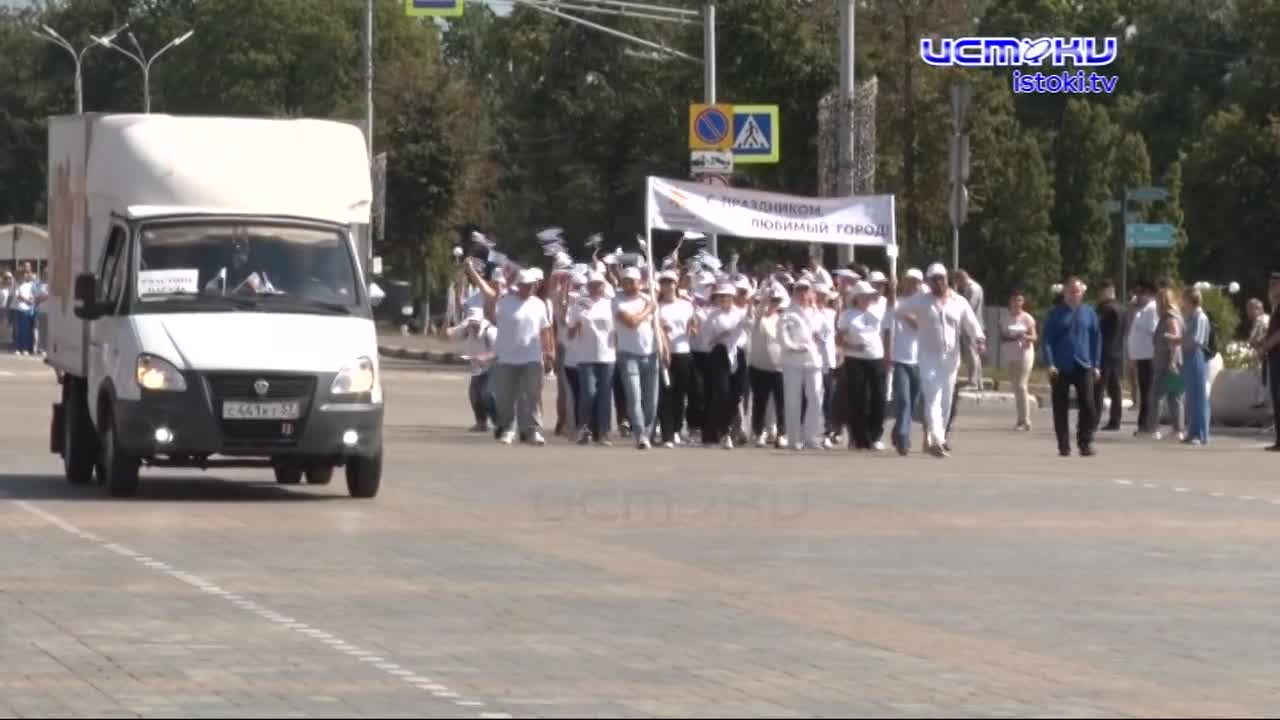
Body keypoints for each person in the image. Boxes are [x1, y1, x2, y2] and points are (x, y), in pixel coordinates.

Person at [895, 264, 985, 458]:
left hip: (951, 359)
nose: (938, 282)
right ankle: (936, 438)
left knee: (946, 400)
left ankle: (940, 438)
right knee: (932, 397)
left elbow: (971, 323)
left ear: (946, 278)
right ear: (928, 282)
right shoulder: (921, 300)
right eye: (934, 279)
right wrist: (896, 294)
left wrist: (979, 339)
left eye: (941, 278)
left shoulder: (958, 301)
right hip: (928, 358)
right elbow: (898, 308)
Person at [468, 265, 555, 446]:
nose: (528, 287)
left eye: (531, 285)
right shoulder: (505, 302)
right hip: (507, 358)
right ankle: (508, 429)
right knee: (506, 397)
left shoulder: (538, 304)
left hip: (532, 357)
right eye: (525, 284)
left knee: (531, 396)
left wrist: (549, 352)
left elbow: (545, 329)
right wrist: (493, 299)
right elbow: (490, 316)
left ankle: (532, 431)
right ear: (518, 285)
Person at [1042, 277, 1102, 457]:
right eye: (1070, 291)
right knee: (1060, 407)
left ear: (1082, 293)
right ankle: (1063, 445)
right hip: (1060, 367)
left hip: (1083, 364)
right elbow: (1047, 341)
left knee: (1089, 405)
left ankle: (1085, 442)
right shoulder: (1056, 314)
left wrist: (1096, 364)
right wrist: (1050, 364)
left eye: (1077, 291)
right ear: (1065, 293)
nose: (1074, 295)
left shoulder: (1089, 313)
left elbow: (1096, 339)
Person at [780, 276, 829, 451]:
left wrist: (819, 338)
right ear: (794, 293)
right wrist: (795, 347)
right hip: (792, 361)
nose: (802, 293)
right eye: (799, 290)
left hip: (814, 361)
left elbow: (827, 333)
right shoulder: (788, 313)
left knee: (815, 397)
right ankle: (794, 439)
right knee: (793, 399)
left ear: (811, 293)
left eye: (805, 290)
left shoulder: (818, 314)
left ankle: (811, 437)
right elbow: (783, 337)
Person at [568, 271, 616, 446]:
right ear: (587, 286)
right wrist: (578, 323)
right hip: (586, 356)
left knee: (604, 396)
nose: (595, 288)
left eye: (599, 284)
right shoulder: (579, 305)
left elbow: (616, 330)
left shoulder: (610, 304)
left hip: (607, 356)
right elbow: (570, 333)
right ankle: (583, 429)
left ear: (604, 286)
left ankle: (603, 433)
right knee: (588, 393)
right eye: (592, 285)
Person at [615, 267, 660, 450]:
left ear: (640, 282)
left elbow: (657, 327)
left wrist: (664, 350)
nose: (629, 285)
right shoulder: (617, 301)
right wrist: (649, 309)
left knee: (651, 401)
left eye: (632, 282)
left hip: (651, 354)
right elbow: (631, 322)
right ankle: (640, 434)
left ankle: (647, 434)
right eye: (625, 282)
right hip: (628, 355)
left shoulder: (648, 298)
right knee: (634, 398)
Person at [840, 280, 888, 451]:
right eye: (864, 296)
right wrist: (853, 347)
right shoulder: (848, 315)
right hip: (855, 359)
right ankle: (860, 438)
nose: (867, 299)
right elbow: (838, 339)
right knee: (858, 398)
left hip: (876, 357)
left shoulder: (878, 310)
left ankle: (875, 436)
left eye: (869, 296)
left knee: (879, 397)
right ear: (856, 297)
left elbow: (886, 330)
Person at [703, 283, 749, 448]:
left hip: (738, 353)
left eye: (726, 296)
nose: (723, 299)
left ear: (732, 298)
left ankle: (732, 428)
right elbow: (706, 340)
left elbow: (747, 330)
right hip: (720, 353)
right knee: (722, 392)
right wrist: (720, 336)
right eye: (720, 296)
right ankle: (724, 432)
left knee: (737, 394)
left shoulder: (740, 314)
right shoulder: (713, 316)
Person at [657, 270, 696, 448]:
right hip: (665, 355)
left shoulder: (686, 305)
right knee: (666, 394)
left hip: (683, 352)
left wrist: (692, 328)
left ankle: (677, 430)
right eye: (664, 282)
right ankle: (667, 434)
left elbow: (693, 328)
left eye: (671, 282)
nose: (668, 285)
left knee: (680, 395)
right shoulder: (657, 306)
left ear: (676, 284)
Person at [889, 268, 924, 455]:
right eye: (910, 280)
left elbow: (920, 326)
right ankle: (903, 437)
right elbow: (887, 326)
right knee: (903, 400)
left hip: (920, 360)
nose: (913, 284)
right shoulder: (896, 302)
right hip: (900, 358)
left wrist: (904, 315)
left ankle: (899, 429)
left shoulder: (924, 303)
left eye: (916, 281)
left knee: (913, 400)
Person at [446, 307, 499, 431]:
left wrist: (484, 357)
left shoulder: (491, 331)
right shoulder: (466, 329)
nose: (473, 325)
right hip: (478, 368)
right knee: (474, 394)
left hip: (494, 367)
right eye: (471, 322)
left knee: (487, 395)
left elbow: (500, 351)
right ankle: (481, 423)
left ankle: (500, 422)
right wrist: (446, 320)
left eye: (475, 322)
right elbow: (445, 336)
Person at [748, 284, 787, 448]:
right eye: (772, 300)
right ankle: (759, 432)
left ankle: (781, 433)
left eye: (776, 301)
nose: (773, 303)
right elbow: (757, 314)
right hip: (760, 367)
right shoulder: (759, 318)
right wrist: (764, 299)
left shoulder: (783, 319)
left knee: (781, 403)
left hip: (780, 367)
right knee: (760, 402)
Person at [1150, 287, 1185, 442]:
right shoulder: (1174, 316)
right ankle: (1178, 429)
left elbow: (1175, 341)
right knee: (1173, 396)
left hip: (1168, 363)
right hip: (1172, 362)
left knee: (1158, 395)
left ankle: (1155, 429)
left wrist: (1172, 362)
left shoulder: (1170, 318)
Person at [1179, 287, 1212, 446]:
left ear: (1190, 300)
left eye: (1184, 299)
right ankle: (1192, 431)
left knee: (1198, 396)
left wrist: (1178, 341)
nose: (1182, 303)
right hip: (1187, 355)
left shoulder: (1200, 316)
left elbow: (1196, 340)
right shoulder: (1189, 316)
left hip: (1196, 355)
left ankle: (1200, 434)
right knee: (1190, 397)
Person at [1002, 289, 1038, 431]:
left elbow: (1034, 337)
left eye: (1019, 300)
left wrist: (1025, 336)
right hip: (1011, 355)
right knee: (1016, 387)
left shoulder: (1027, 318)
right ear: (1010, 302)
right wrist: (1011, 336)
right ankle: (1020, 419)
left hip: (1025, 354)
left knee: (1022, 385)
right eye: (1014, 300)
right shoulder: (1005, 318)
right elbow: (1002, 337)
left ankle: (1026, 420)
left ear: (1023, 302)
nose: (1017, 303)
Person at [1127, 281, 1160, 436]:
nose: (1137, 297)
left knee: (1148, 392)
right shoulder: (1143, 310)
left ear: (1149, 294)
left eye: (1140, 293)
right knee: (1144, 391)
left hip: (1149, 356)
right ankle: (1143, 425)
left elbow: (1154, 331)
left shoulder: (1152, 309)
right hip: (1142, 356)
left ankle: (1147, 425)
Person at [1093, 280, 1124, 431]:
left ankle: (1094, 420)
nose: (1099, 295)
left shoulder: (1105, 309)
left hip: (1104, 351)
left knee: (1098, 387)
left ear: (1107, 291)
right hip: (1118, 351)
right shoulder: (1122, 309)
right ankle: (1115, 420)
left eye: (1101, 291)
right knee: (1115, 388)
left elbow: (1097, 330)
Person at [954, 269, 985, 387]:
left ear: (961, 279)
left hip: (972, 325)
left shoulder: (973, 289)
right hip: (972, 324)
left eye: (958, 282)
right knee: (973, 354)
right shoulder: (972, 288)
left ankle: (973, 381)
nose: (959, 286)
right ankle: (978, 381)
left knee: (972, 354)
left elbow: (969, 308)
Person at [1261, 273, 1280, 450]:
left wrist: (1266, 346)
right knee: (1276, 398)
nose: (1271, 288)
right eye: (1270, 284)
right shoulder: (1275, 307)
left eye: (1275, 284)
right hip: (1274, 356)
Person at [1246, 297, 1271, 409]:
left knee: (1264, 378)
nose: (1248, 312)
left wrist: (1253, 343)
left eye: (1250, 309)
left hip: (1266, 353)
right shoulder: (1267, 318)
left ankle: (1262, 401)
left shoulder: (1260, 320)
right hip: (1268, 353)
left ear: (1258, 309)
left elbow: (1254, 339)